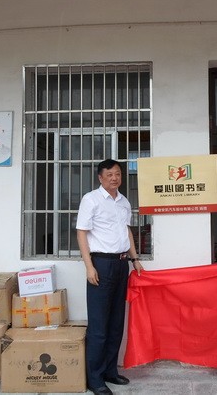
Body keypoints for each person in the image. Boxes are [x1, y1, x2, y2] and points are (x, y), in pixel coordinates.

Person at [76, 159, 144, 395]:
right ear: (100, 177)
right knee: (99, 325)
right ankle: (95, 379)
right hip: (101, 265)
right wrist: (89, 266)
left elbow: (127, 231)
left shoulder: (124, 202)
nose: (114, 178)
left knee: (116, 323)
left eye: (118, 174)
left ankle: (110, 371)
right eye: (109, 174)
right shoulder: (91, 199)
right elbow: (81, 233)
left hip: (121, 264)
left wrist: (135, 259)